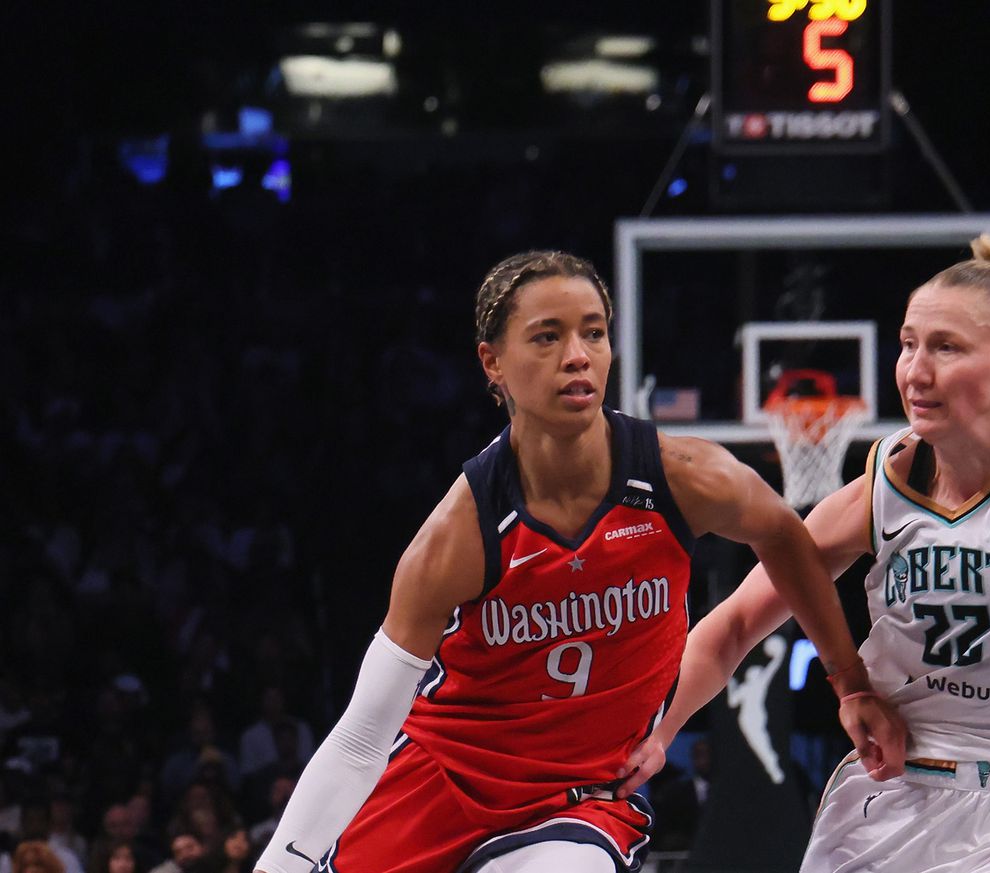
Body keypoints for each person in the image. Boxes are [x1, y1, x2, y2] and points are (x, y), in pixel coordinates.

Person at [253, 250, 904, 873]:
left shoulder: (682, 478)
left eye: (593, 333)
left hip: (582, 796)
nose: (577, 355)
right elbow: (364, 737)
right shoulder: (460, 535)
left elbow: (786, 537)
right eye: (547, 336)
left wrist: (847, 677)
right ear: (493, 362)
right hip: (443, 781)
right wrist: (280, 859)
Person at [619, 225, 990, 873]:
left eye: (946, 348)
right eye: (908, 344)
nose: (916, 371)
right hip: (892, 804)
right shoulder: (884, 485)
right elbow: (733, 624)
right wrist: (659, 730)